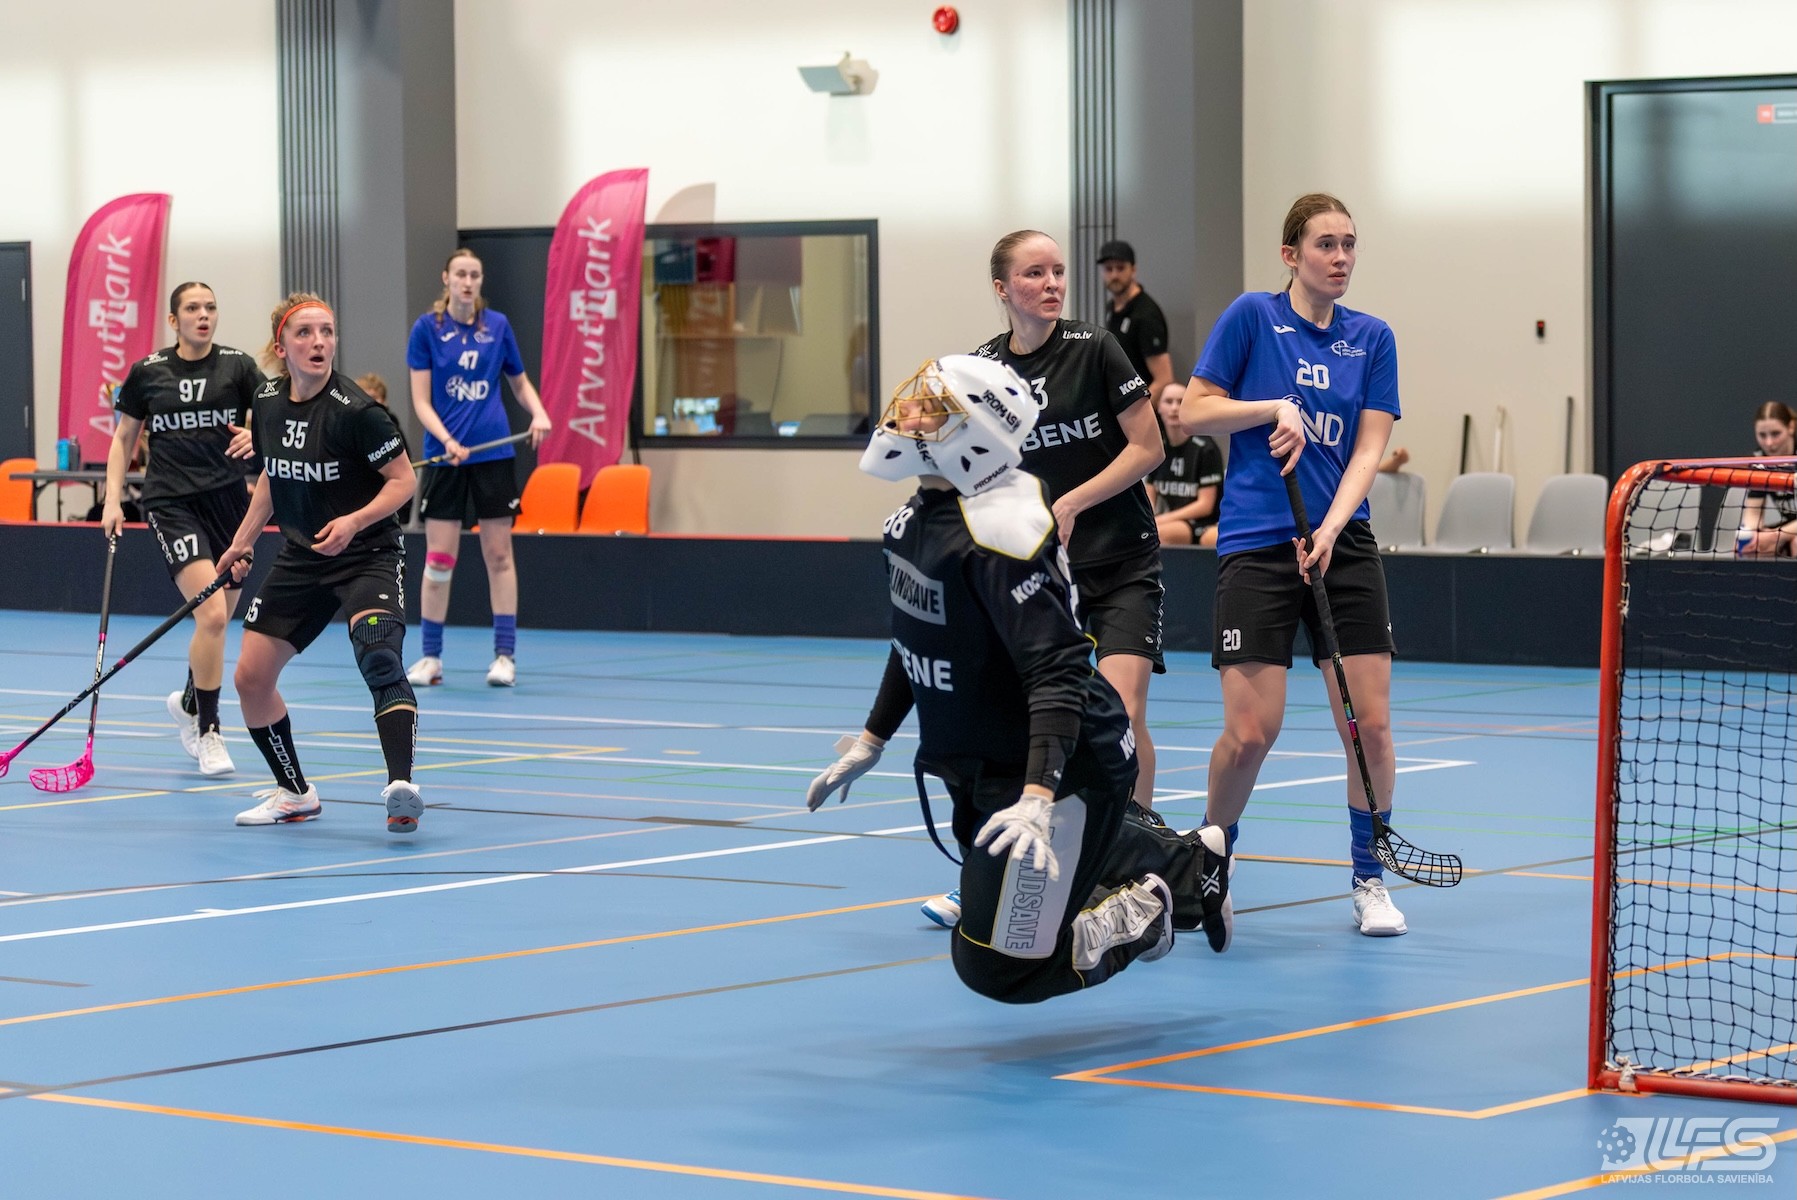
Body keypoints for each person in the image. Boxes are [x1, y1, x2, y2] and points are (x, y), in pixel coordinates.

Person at [805, 354, 1231, 1003]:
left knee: (995, 967)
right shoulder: (915, 522)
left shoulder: (1001, 537)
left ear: (976, 436)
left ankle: (1145, 912)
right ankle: (1194, 864)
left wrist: (1038, 795)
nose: (910, 417)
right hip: (986, 757)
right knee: (987, 930)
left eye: (932, 411)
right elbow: (917, 634)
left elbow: (1057, 670)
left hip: (1063, 761)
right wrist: (872, 738)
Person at [900, 231, 1166, 932]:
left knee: (1119, 711)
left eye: (1057, 272)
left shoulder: (1096, 349)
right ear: (1002, 288)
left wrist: (1071, 503)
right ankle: (992, 870)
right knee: (1021, 724)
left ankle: (1128, 864)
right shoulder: (982, 368)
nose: (1051, 284)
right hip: (1038, 572)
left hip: (1119, 562)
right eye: (1033, 273)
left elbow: (1149, 446)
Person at [1180, 192, 1409, 937]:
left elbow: (1368, 447)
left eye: (1349, 244)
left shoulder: (1371, 338)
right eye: (1324, 245)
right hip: (1256, 544)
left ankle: (1368, 879)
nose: (1340, 258)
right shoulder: (1252, 317)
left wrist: (1334, 528)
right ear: (1291, 255)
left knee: (1370, 729)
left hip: (1341, 545)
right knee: (1252, 733)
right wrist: (1271, 408)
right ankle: (1213, 860)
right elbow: (1193, 408)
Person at [216, 293, 423, 834]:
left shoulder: (359, 412)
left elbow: (403, 481)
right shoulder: (266, 401)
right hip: (302, 556)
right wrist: (241, 543)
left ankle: (401, 788)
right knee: (250, 678)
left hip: (368, 553)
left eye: (327, 332)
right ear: (281, 346)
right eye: (305, 333)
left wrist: (354, 521)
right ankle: (294, 793)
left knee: (378, 654)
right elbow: (273, 475)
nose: (319, 343)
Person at [102, 282, 265, 776]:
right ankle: (209, 731)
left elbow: (276, 417)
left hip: (229, 504)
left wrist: (258, 434)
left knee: (219, 619)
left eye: (210, 307)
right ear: (174, 320)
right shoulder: (148, 372)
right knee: (211, 615)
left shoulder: (238, 367)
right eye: (192, 308)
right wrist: (112, 499)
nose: (203, 315)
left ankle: (191, 702)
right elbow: (123, 438)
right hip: (171, 503)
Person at [404, 248, 552, 689]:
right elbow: (421, 401)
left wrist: (539, 413)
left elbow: (519, 383)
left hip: (493, 456)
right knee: (439, 559)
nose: (468, 282)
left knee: (499, 556)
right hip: (445, 457)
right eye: (461, 274)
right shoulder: (426, 330)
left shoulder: (498, 326)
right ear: (446, 279)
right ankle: (431, 658)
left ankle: (505, 657)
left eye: (475, 275)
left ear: (480, 281)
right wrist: (447, 441)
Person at [1146, 382, 1224, 548]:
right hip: (1167, 520)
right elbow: (1149, 494)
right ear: (1159, 407)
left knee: (1159, 533)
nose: (1174, 408)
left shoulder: (1205, 448)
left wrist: (1161, 520)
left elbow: (1205, 505)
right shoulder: (1157, 447)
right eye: (1168, 402)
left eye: (1180, 402)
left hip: (1202, 523)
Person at [1097, 240, 1175, 406]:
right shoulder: (1111, 307)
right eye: (1109, 269)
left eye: (1120, 268)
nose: (1114, 275)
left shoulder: (1146, 314)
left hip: (1138, 410)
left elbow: (1163, 379)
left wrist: (1139, 415)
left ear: (1133, 270)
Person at [1738, 401, 1797, 557]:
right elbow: (1753, 514)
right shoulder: (1760, 462)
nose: (1769, 443)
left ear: (1791, 427)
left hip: (1790, 531)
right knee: (1752, 548)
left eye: (1776, 434)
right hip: (1790, 527)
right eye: (1762, 435)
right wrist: (1753, 535)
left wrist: (1777, 535)